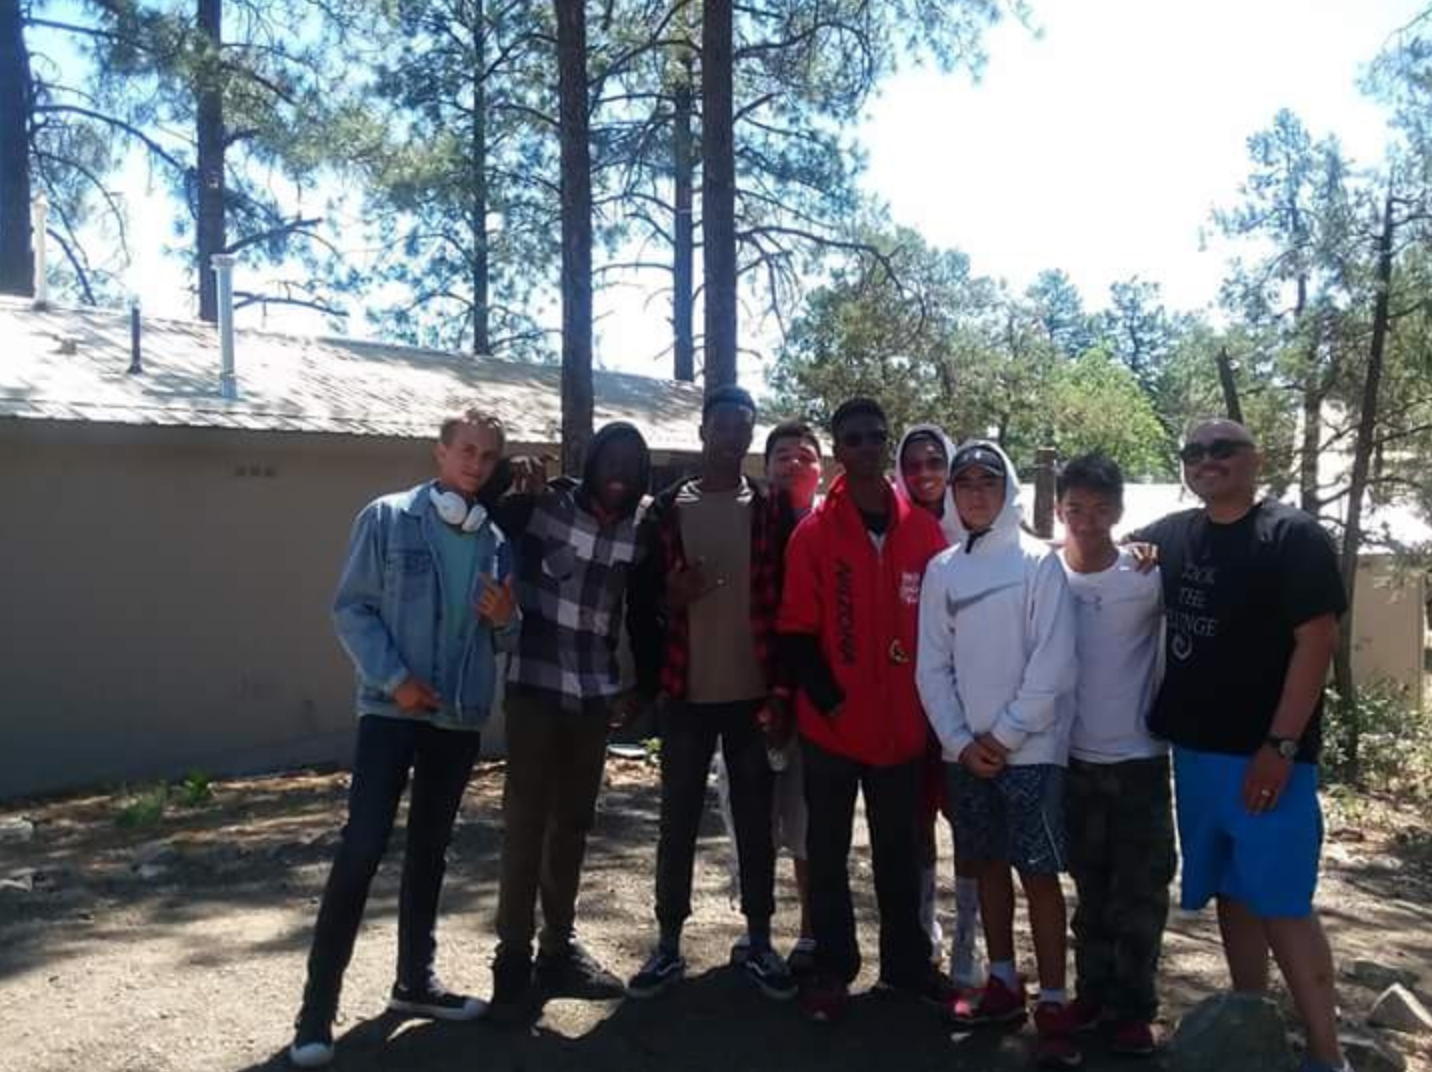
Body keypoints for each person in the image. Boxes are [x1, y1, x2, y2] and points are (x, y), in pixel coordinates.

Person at [289, 408, 519, 1069]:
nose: (475, 463)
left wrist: (508, 618)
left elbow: (505, 637)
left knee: (430, 852)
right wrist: (396, 680)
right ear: (440, 453)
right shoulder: (387, 518)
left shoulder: (495, 542)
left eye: (487, 456)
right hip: (393, 714)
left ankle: (414, 982)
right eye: (465, 450)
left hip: (456, 720)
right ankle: (315, 1013)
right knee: (361, 850)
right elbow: (351, 609)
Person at [1126, 419, 1349, 1072]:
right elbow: (1109, 553)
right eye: (1195, 452)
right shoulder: (1175, 532)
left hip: (1268, 759)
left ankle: (1328, 1058)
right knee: (1231, 891)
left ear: (1257, 459)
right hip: (1196, 756)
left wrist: (1280, 746)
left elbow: (1319, 641)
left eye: (1223, 449)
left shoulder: (1293, 536)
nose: (1207, 460)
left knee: (1282, 902)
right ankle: (1253, 1028)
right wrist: (1133, 554)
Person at [778, 397, 952, 1023]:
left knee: (900, 853)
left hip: (902, 730)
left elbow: (943, 632)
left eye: (876, 436)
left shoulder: (925, 534)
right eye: (852, 438)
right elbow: (796, 631)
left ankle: (906, 966)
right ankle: (833, 968)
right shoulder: (815, 533)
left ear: (886, 444)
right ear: (839, 449)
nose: (866, 446)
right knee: (826, 853)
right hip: (831, 728)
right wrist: (834, 700)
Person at [626, 385, 797, 1002]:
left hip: (752, 695)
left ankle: (759, 940)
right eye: (722, 424)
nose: (732, 436)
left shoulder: (774, 509)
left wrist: (781, 692)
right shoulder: (668, 508)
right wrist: (671, 596)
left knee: (756, 822)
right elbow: (640, 599)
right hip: (686, 694)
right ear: (703, 431)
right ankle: (668, 945)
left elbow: (790, 607)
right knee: (677, 820)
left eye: (743, 426)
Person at [915, 439, 1081, 1068]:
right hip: (965, 756)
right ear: (953, 495)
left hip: (1032, 750)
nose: (976, 494)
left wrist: (1004, 736)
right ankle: (1004, 982)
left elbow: (1055, 660)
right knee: (984, 866)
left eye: (988, 482)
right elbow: (932, 666)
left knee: (1038, 873)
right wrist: (960, 741)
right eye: (965, 485)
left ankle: (1056, 997)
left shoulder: (1042, 562)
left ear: (1006, 488)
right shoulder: (943, 570)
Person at [486, 422, 653, 1022]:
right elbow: (483, 518)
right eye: (612, 456)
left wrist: (644, 685)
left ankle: (557, 950)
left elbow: (644, 608)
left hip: (594, 696)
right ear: (590, 459)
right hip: (535, 685)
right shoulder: (545, 502)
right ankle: (512, 957)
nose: (622, 469)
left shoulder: (642, 527)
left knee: (574, 825)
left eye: (634, 463)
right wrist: (509, 477)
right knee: (526, 822)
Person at [1055, 453, 1173, 1058]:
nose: (1087, 521)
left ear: (1120, 513)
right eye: (1076, 508)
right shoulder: (1046, 574)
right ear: (1059, 510)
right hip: (1072, 760)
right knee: (1089, 892)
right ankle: (1092, 995)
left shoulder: (1147, 574)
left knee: (1142, 894)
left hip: (1140, 762)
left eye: (1101, 510)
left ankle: (1134, 1007)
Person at [723, 420, 824, 974]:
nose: (792, 464)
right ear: (766, 467)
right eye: (782, 455)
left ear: (820, 469)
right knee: (750, 819)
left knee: (807, 820)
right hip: (745, 693)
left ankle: (810, 932)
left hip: (812, 700)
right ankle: (756, 931)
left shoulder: (834, 527)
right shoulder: (747, 519)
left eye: (804, 455)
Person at [893, 424, 984, 989]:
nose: (925, 474)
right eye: (913, 464)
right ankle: (925, 930)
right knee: (915, 823)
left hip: (969, 703)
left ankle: (967, 941)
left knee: (969, 825)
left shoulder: (977, 530)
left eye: (935, 463)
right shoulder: (898, 527)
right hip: (907, 703)